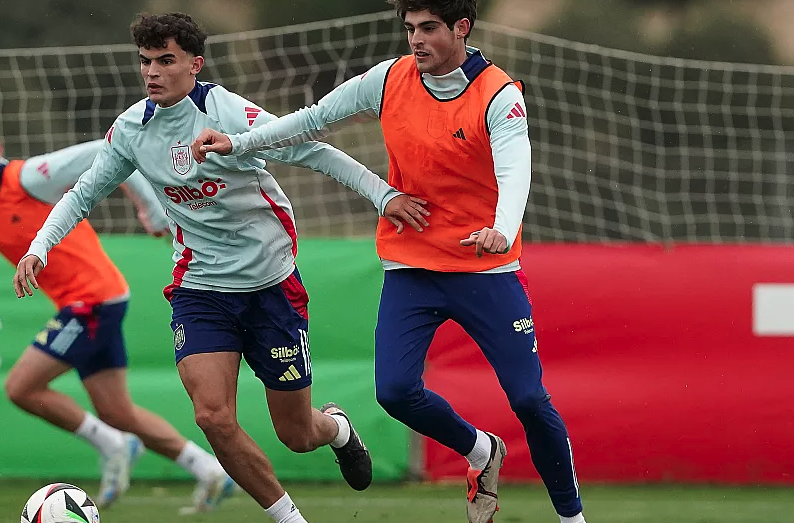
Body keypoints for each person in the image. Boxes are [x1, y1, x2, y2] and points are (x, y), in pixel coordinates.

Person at [12, 12, 430, 523]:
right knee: (212, 416)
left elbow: (313, 152)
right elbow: (83, 194)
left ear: (195, 63)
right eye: (146, 61)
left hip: (270, 286)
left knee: (298, 435)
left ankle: (337, 429)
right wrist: (39, 247)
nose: (153, 72)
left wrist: (382, 195)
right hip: (201, 289)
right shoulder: (130, 130)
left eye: (166, 60)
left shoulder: (229, 113)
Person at [191, 1, 586, 522]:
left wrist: (502, 230)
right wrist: (238, 142)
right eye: (409, 29)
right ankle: (480, 452)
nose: (416, 40)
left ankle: (571, 517)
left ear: (461, 28)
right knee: (395, 392)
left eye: (428, 29)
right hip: (412, 268)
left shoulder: (499, 94)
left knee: (531, 401)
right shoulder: (389, 78)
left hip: (484, 269)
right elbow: (312, 120)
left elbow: (516, 171)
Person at [0, 110, 235, 514]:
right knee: (117, 411)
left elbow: (111, 148)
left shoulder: (31, 176)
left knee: (21, 387)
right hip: (94, 300)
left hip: (94, 300)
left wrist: (152, 211)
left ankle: (112, 443)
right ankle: (209, 470)